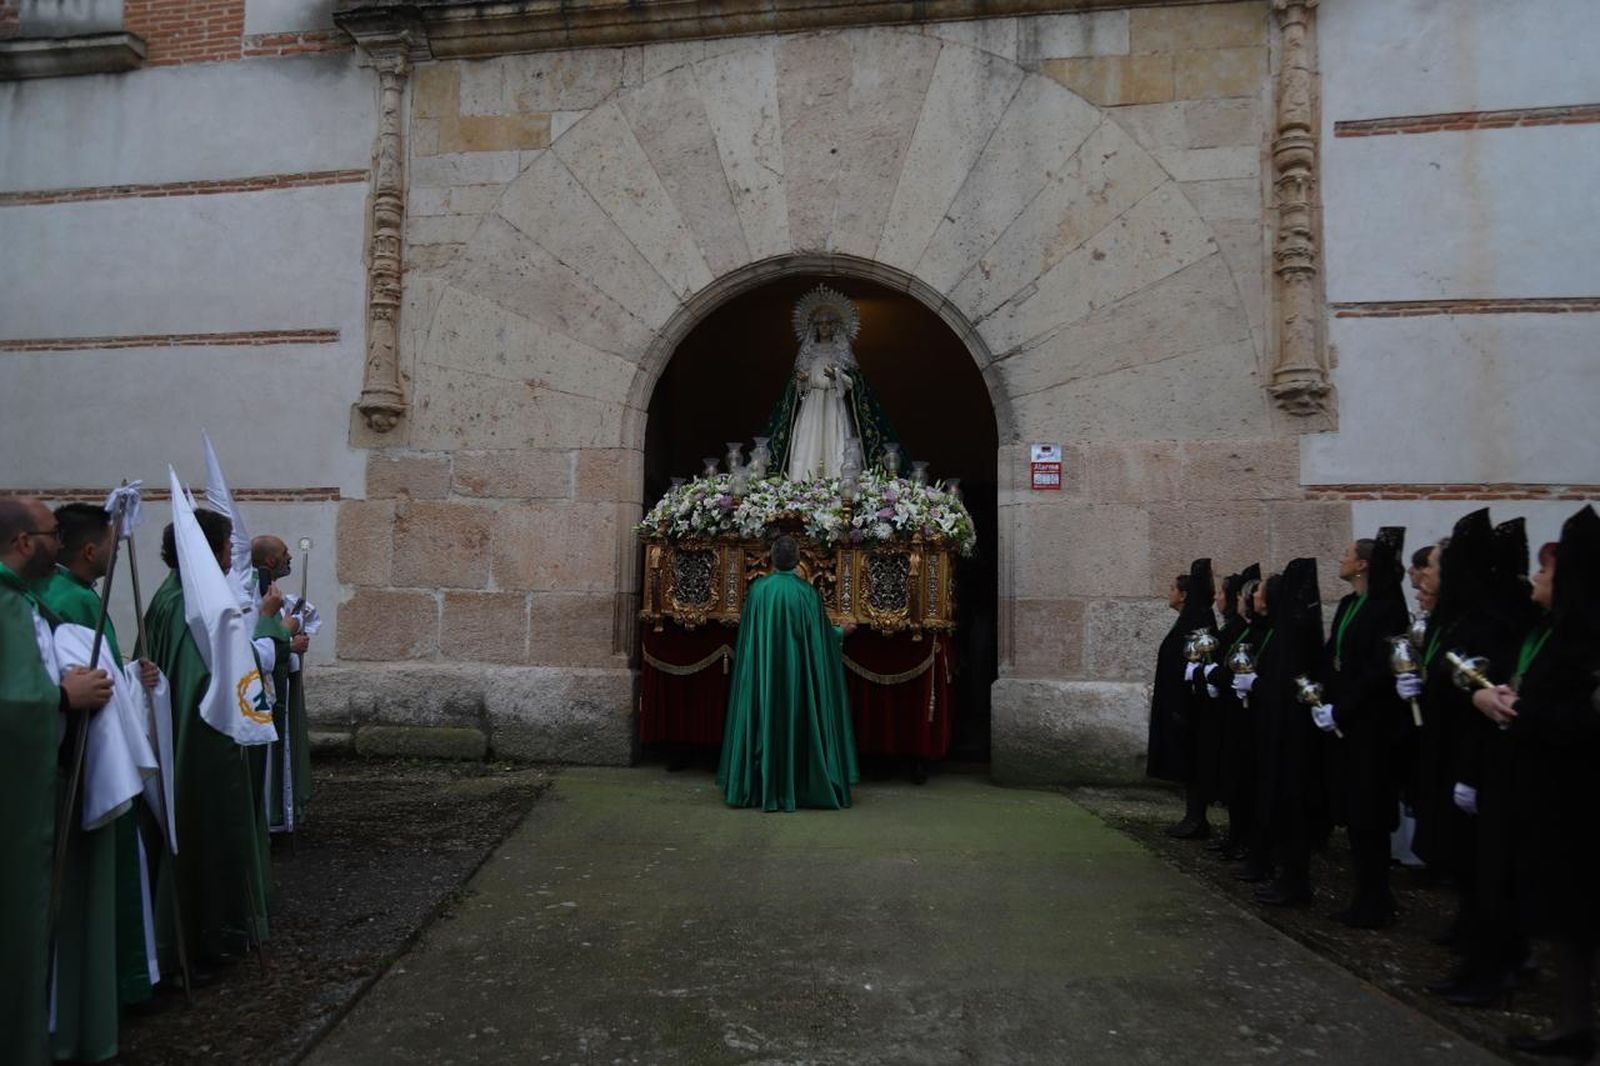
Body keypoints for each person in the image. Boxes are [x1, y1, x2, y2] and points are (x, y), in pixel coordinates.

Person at [35, 503, 162, 1059]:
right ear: (90, 551)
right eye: (111, 542)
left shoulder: (71, 595)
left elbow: (103, 674)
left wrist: (133, 674)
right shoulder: (74, 602)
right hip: (88, 766)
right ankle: (113, 985)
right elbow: (86, 687)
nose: (116, 549)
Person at [1477, 507, 1600, 1056]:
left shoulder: (1585, 641)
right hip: (1546, 789)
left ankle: (1577, 1027)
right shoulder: (1553, 632)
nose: (1537, 578)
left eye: (1547, 571)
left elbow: (1581, 719)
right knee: (1566, 919)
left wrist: (1518, 708)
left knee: (1579, 912)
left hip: (1576, 795)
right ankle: (1573, 1024)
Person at [0, 498, 113, 1066]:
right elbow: (13, 700)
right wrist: (62, 697)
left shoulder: (25, 599)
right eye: (51, 534)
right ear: (24, 542)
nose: (60, 543)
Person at [145, 508, 272, 974]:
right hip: (201, 744)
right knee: (205, 835)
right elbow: (205, 685)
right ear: (210, 550)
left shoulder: (174, 596)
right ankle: (207, 936)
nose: (231, 556)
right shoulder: (194, 608)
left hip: (185, 735)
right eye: (226, 546)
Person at [717, 534, 859, 811]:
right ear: (797, 560)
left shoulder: (758, 591)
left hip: (763, 673)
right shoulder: (807, 593)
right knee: (798, 716)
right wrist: (841, 632)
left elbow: (749, 638)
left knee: (764, 714)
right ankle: (799, 785)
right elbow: (820, 636)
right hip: (797, 676)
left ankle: (759, 786)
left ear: (772, 558)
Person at [1317, 530, 1411, 928]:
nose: (1341, 559)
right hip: (1344, 720)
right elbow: (1333, 655)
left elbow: (1378, 668)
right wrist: (1321, 696)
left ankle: (1375, 897)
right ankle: (1367, 894)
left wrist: (1343, 707)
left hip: (1371, 723)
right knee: (1354, 812)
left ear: (1363, 565)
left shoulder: (1386, 608)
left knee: (1370, 812)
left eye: (1347, 554)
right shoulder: (1348, 604)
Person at [1238, 558, 1325, 906]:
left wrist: (1256, 684)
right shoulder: (1281, 633)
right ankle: (1284, 872)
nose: (1254, 597)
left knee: (1293, 805)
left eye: (1259, 591)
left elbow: (1285, 684)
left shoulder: (1294, 637)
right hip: (1278, 730)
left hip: (1294, 735)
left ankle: (1294, 880)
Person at [1148, 558, 1215, 839]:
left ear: (1184, 594)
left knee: (1193, 760)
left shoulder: (1196, 622)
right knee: (1187, 760)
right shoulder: (1187, 621)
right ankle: (1193, 816)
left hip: (1190, 704)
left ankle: (1197, 818)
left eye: (1173, 589)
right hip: (1178, 702)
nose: (1169, 593)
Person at [251, 536, 312, 833]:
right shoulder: (253, 594)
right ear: (270, 560)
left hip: (277, 682)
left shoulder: (270, 590)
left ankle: (279, 811)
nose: (290, 557)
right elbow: (255, 644)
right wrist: (288, 640)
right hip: (262, 691)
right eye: (285, 553)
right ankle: (269, 815)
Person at [1203, 564, 1261, 862]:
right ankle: (1236, 834)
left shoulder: (1247, 630)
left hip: (1245, 714)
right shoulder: (1237, 629)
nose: (1221, 598)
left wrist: (1215, 676)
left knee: (1243, 780)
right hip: (1231, 710)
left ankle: (1245, 838)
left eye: (1227, 593)